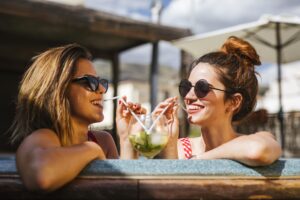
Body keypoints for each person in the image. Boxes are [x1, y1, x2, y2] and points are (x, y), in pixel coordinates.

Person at [9, 44, 144, 192]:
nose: (100, 89)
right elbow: (41, 175)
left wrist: (127, 140)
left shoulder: (103, 141)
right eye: (90, 82)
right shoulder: (44, 137)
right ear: (58, 90)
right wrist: (91, 149)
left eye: (101, 82)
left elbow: (123, 191)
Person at [155, 36, 282, 166]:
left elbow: (257, 151)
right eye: (186, 87)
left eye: (202, 88)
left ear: (234, 102)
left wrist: (198, 160)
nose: (188, 96)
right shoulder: (179, 148)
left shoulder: (257, 140)